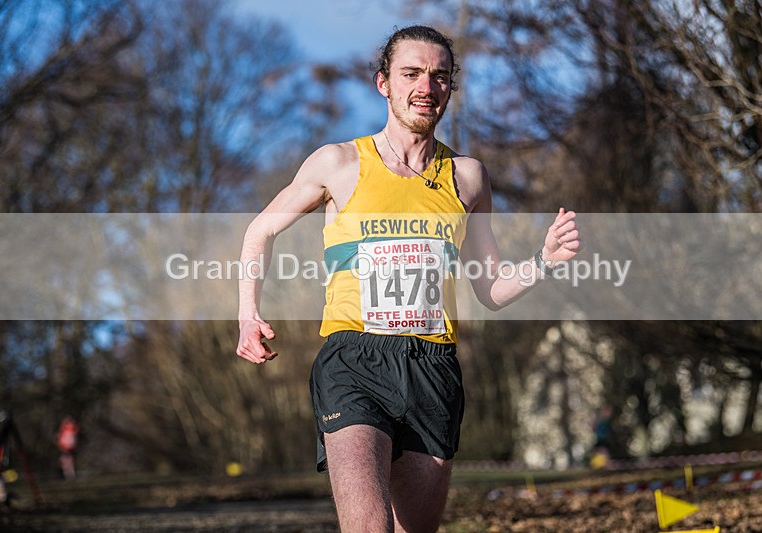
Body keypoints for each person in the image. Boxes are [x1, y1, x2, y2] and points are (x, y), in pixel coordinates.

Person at [236, 25, 583, 532]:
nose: (427, 85)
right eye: (411, 73)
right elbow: (260, 230)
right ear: (384, 83)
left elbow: (491, 290)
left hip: (433, 368)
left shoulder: (468, 178)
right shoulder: (340, 163)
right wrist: (248, 313)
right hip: (354, 361)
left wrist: (545, 259)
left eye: (440, 76)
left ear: (450, 89)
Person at [57, 416, 79, 480]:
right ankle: (70, 474)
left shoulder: (64, 428)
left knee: (65, 460)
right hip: (70, 446)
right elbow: (75, 436)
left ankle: (68, 474)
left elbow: (62, 437)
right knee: (68, 460)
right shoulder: (73, 428)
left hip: (65, 446)